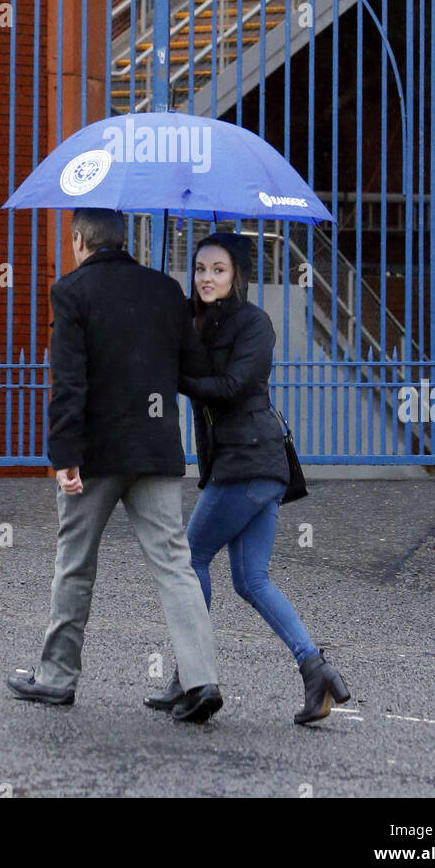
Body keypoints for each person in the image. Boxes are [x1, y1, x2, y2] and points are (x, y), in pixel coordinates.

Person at [7, 207, 223, 724]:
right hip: (154, 449)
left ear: (79, 240)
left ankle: (57, 678)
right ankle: (201, 680)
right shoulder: (165, 290)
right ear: (125, 241)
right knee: (175, 563)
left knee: (76, 563)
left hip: (96, 456)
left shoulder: (72, 292)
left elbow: (69, 384)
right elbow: (192, 371)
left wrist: (64, 457)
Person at [144, 231, 351, 725]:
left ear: (236, 275)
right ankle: (316, 670)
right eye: (199, 269)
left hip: (252, 462)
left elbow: (233, 386)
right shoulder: (196, 325)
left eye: (218, 269)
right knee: (250, 578)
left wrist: (178, 376)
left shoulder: (255, 323)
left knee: (189, 557)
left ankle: (193, 678)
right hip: (244, 467)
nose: (207, 277)